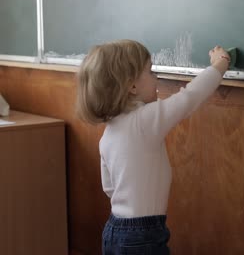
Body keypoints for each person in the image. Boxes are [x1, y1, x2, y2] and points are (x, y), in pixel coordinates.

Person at [76, 39, 230, 254]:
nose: (156, 77)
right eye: (150, 71)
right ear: (132, 86)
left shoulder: (109, 133)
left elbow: (110, 188)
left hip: (114, 230)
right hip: (142, 236)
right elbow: (189, 97)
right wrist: (219, 65)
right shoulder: (144, 121)